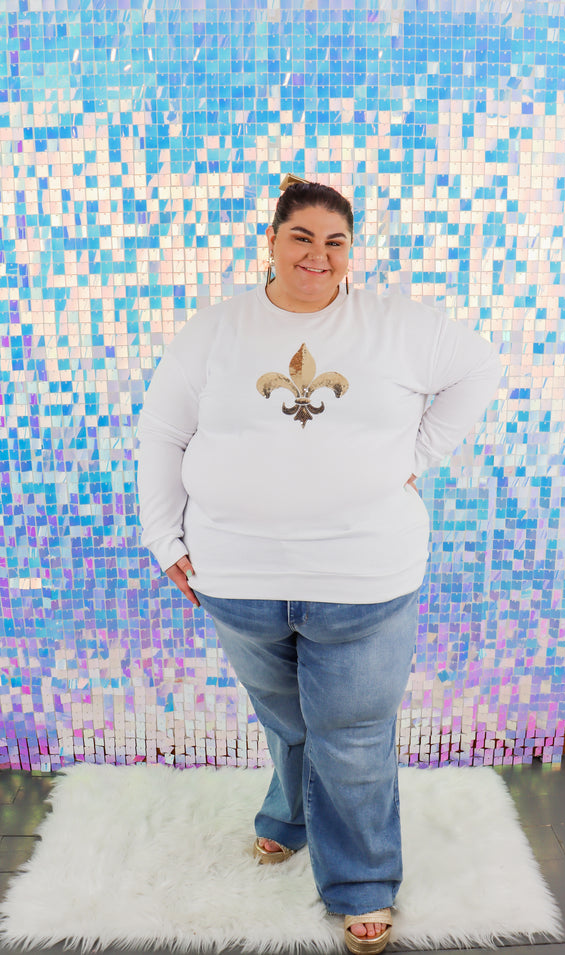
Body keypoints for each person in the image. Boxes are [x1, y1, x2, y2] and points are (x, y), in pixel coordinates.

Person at [137, 175, 502, 954]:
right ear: (270, 240)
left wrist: (416, 455)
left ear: (350, 250)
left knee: (353, 733)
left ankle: (361, 883)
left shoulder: (397, 325)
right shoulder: (214, 330)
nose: (319, 254)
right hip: (238, 579)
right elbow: (162, 433)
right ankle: (291, 814)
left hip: (363, 578)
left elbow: (481, 368)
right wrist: (164, 538)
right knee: (288, 720)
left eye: (336, 241)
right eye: (301, 236)